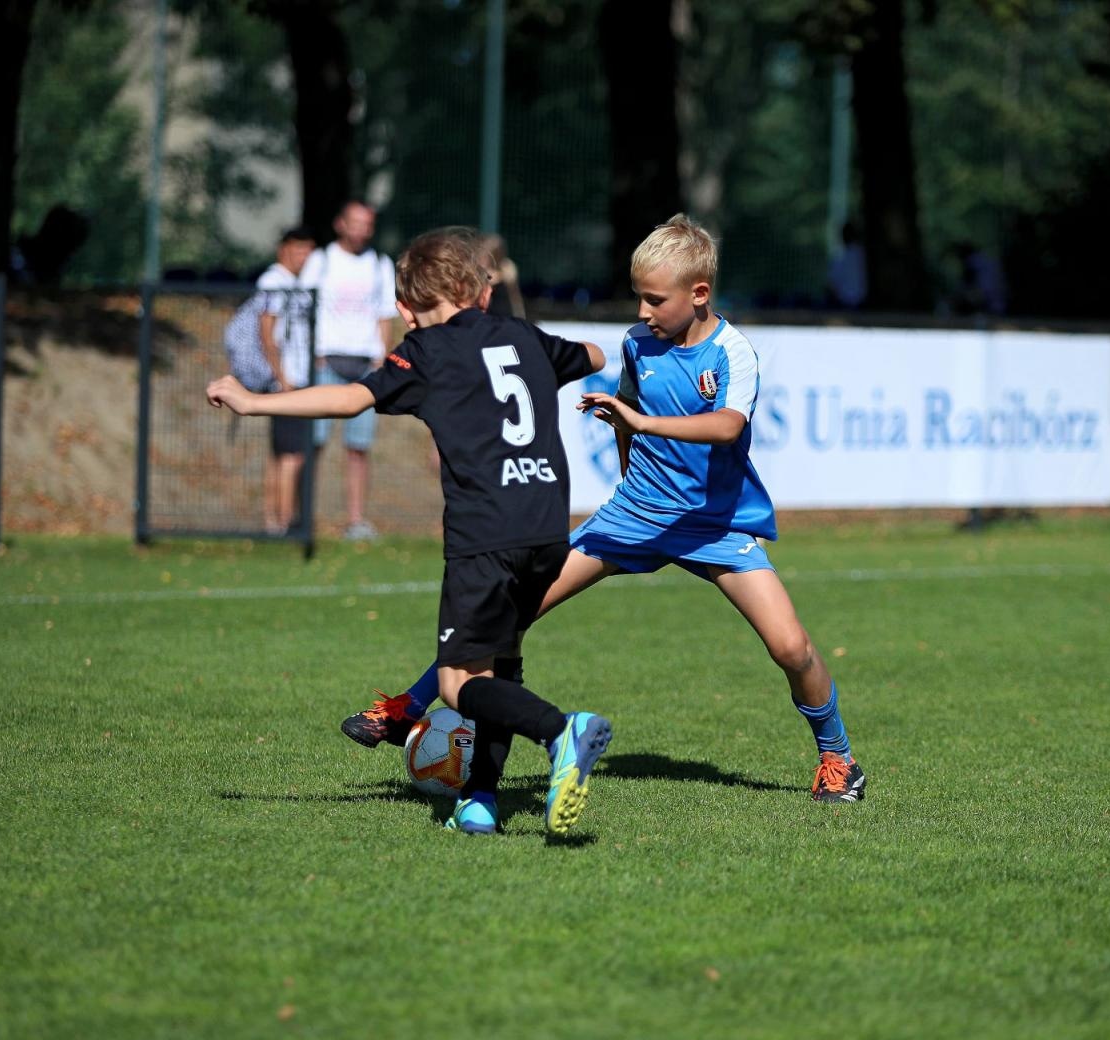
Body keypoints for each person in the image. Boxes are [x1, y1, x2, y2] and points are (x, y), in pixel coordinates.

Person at [344, 214, 866, 803]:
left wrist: (643, 422)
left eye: (654, 299)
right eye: (638, 297)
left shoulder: (733, 352)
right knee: (509, 615)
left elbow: (727, 427)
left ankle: (837, 757)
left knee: (790, 648)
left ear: (699, 295)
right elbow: (626, 408)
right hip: (634, 515)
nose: (642, 312)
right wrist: (628, 461)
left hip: (714, 525)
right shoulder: (637, 343)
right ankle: (402, 708)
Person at [208, 227, 612, 836]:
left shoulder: (424, 352)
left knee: (456, 683)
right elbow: (594, 356)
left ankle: (562, 731)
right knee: (501, 665)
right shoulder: (524, 337)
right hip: (549, 527)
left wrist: (251, 400)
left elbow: (349, 399)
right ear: (480, 291)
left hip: (486, 532)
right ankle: (479, 802)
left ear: (405, 309)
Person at [298, 200, 401, 541]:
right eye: (355, 222)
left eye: (367, 224)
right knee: (314, 442)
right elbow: (303, 307)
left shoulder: (378, 264)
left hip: (364, 365)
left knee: (358, 447)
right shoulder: (321, 260)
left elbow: (384, 314)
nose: (361, 229)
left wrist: (381, 359)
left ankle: (356, 520)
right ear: (340, 224)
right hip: (327, 361)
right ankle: (302, 516)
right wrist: (314, 354)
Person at [256, 226, 317, 535]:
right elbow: (267, 332)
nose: (303, 256)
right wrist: (282, 378)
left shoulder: (298, 282)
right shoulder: (273, 281)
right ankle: (285, 521)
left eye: (308, 250)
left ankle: (274, 518)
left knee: (282, 454)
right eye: (298, 249)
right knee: (292, 454)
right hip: (287, 381)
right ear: (283, 250)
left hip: (299, 376)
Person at [479, 233, 527, 318]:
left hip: (501, 313)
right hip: (490, 313)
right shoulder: (485, 268)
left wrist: (520, 314)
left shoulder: (507, 267)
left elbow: (515, 295)